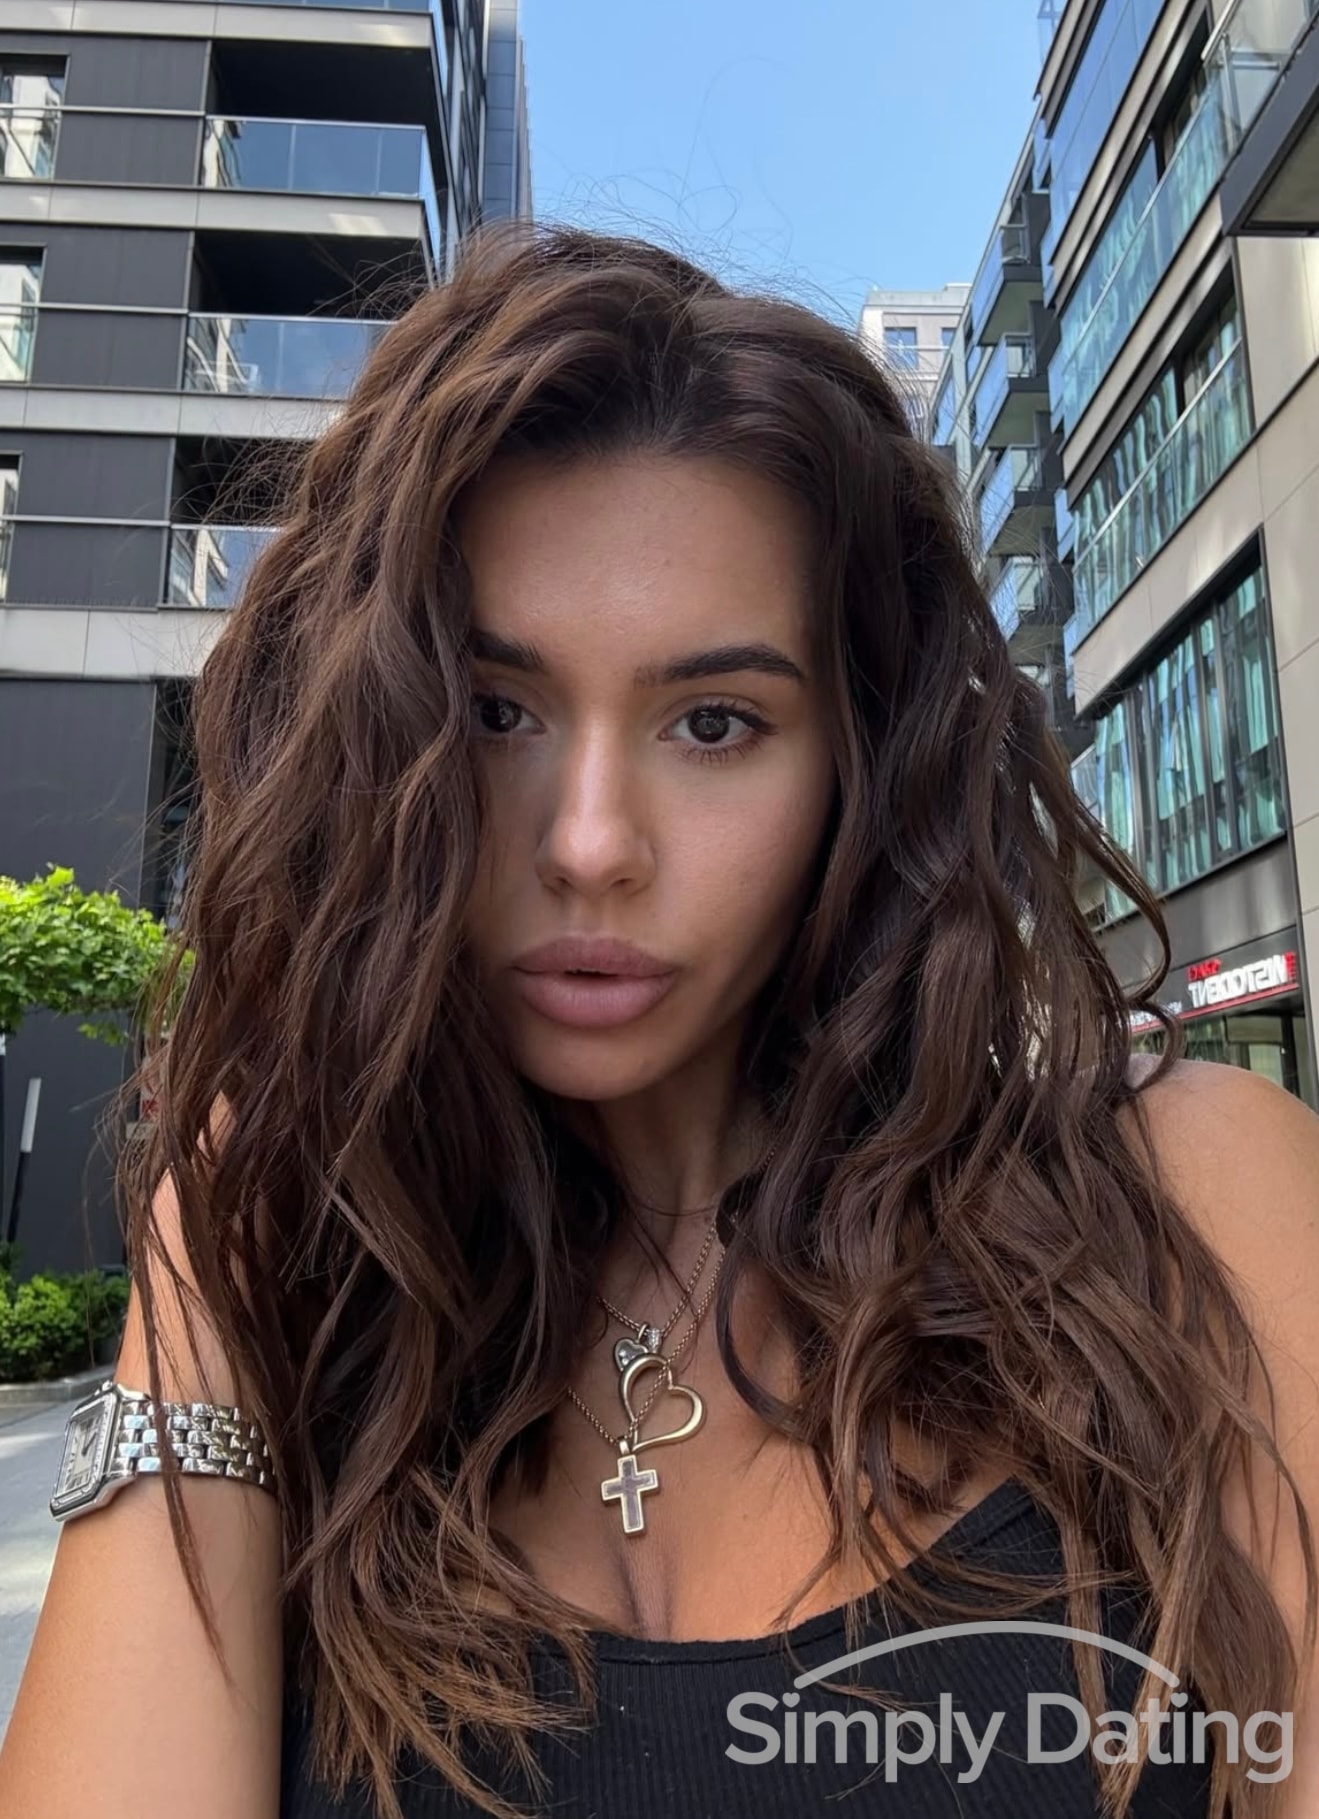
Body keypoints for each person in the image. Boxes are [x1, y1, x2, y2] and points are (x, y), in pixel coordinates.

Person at [1, 219, 1315, 1819]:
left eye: (713, 722)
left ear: (861, 763)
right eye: (496, 711)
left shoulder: (1185, 1206)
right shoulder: (314, 1281)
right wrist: (211, 1230)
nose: (590, 844)